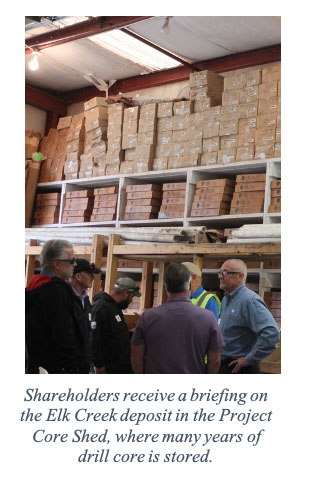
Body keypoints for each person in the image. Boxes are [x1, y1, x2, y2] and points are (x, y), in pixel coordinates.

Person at [131, 263, 224, 374]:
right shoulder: (208, 317)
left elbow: (136, 356)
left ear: (165, 286)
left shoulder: (147, 317)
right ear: (189, 285)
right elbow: (215, 360)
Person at [26, 239, 90, 374]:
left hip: (38, 365)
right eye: (71, 261)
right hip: (57, 368)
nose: (75, 264)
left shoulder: (33, 285)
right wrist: (72, 368)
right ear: (57, 264)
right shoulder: (57, 291)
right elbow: (62, 332)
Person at [218, 259, 280, 374]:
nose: (220, 276)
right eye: (220, 272)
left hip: (240, 368)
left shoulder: (250, 301)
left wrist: (249, 359)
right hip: (225, 364)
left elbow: (271, 333)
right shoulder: (226, 299)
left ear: (240, 277)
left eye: (225, 272)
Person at [91, 277, 141, 374]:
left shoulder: (115, 309)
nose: (131, 301)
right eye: (132, 297)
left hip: (118, 367)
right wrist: (99, 365)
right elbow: (93, 338)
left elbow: (116, 335)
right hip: (108, 369)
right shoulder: (101, 308)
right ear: (125, 293)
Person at [70, 258, 102, 373]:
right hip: (69, 365)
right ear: (78, 276)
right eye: (89, 274)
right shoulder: (66, 298)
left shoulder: (86, 300)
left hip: (83, 364)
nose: (93, 278)